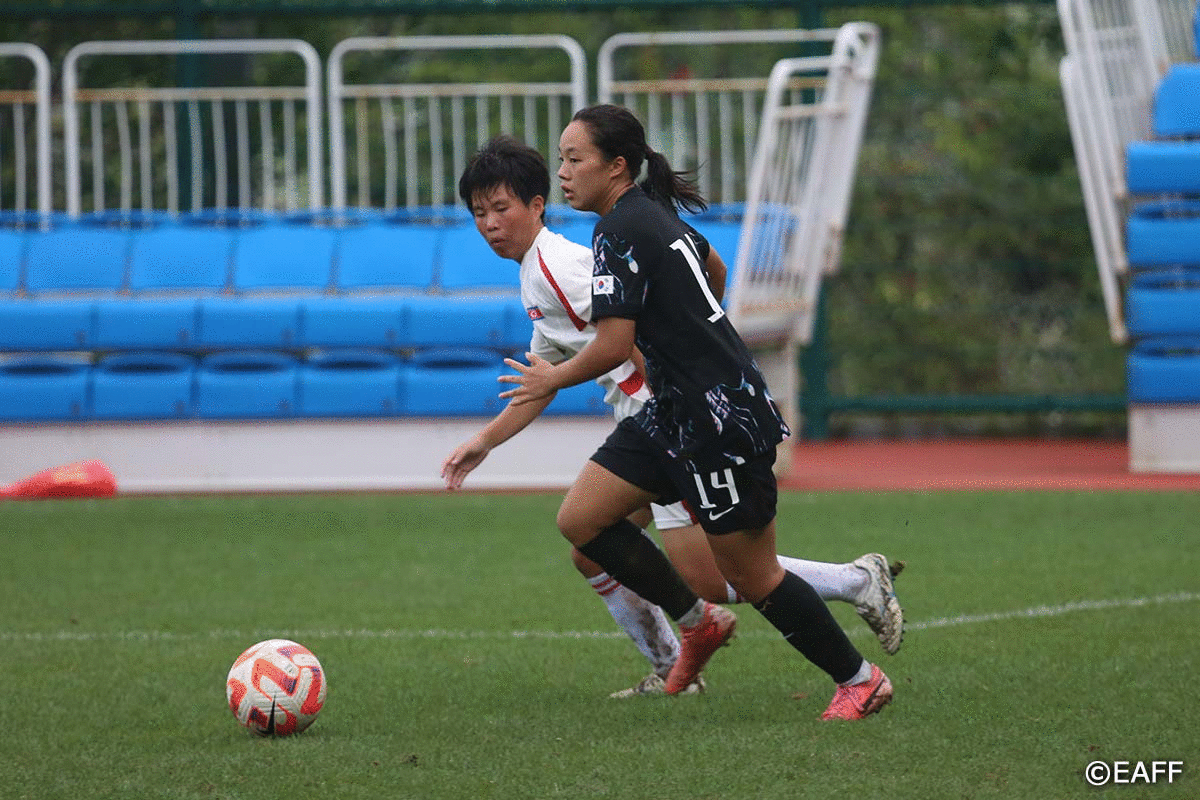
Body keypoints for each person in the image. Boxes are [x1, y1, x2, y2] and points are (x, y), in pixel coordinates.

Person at [443, 135, 903, 707]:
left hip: (678, 423)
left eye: (501, 208)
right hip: (661, 422)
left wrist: (669, 380)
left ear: (537, 205)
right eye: (479, 213)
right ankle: (680, 650)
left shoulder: (566, 261)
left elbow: (624, 340)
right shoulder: (544, 270)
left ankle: (847, 601)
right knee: (589, 539)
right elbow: (547, 371)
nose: (489, 224)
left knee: (718, 578)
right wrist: (485, 442)